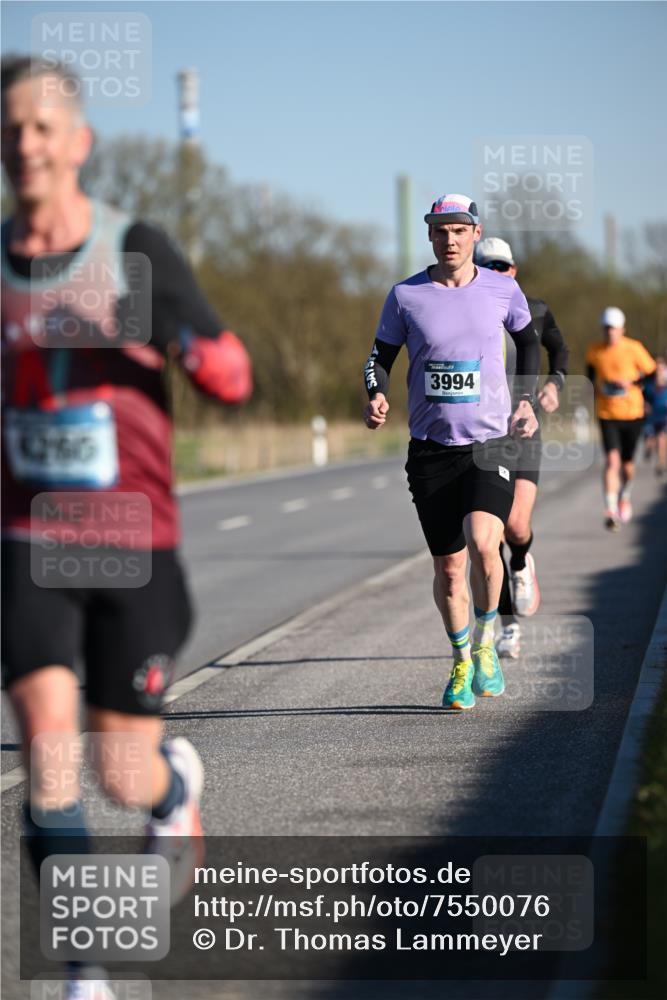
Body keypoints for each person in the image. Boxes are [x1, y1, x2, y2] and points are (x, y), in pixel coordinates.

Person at [1, 55, 252, 999]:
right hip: (28, 539)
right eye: (9, 129)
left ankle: (171, 792)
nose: (24, 144)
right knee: (48, 748)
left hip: (132, 542)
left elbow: (230, 375)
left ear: (78, 142)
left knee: (119, 766)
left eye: (40, 126)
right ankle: (87, 970)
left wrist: (175, 340)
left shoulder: (133, 249)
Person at [363, 194, 539, 710]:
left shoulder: (502, 289)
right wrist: (376, 392)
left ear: (476, 234)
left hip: (489, 444)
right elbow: (379, 357)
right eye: (441, 231)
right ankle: (462, 659)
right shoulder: (405, 296)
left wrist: (525, 399)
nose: (450, 240)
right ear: (431, 236)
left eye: (460, 230)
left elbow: (529, 343)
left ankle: (486, 645)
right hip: (431, 451)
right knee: (448, 568)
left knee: (486, 543)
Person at [475, 237, 569, 659]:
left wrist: (555, 384)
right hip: (481, 434)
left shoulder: (536, 309)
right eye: (486, 266)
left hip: (523, 430)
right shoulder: (465, 313)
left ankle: (521, 562)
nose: (496, 272)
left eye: (503, 266)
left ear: (514, 270)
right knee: (488, 535)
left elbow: (559, 351)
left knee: (515, 527)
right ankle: (509, 626)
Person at [585, 307, 656, 529]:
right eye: (606, 329)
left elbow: (652, 375)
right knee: (611, 462)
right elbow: (590, 378)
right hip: (607, 414)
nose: (610, 333)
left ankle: (625, 496)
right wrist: (597, 388)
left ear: (622, 329)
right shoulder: (594, 351)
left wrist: (632, 383)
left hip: (632, 414)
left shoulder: (634, 348)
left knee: (627, 466)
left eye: (613, 329)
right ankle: (610, 509)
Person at [643, 354, 667, 477]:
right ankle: (648, 448)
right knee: (651, 441)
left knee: (662, 440)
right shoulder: (648, 385)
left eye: (661, 368)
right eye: (657, 368)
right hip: (651, 418)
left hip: (664, 416)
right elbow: (643, 399)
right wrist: (645, 405)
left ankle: (661, 465)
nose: (659, 371)